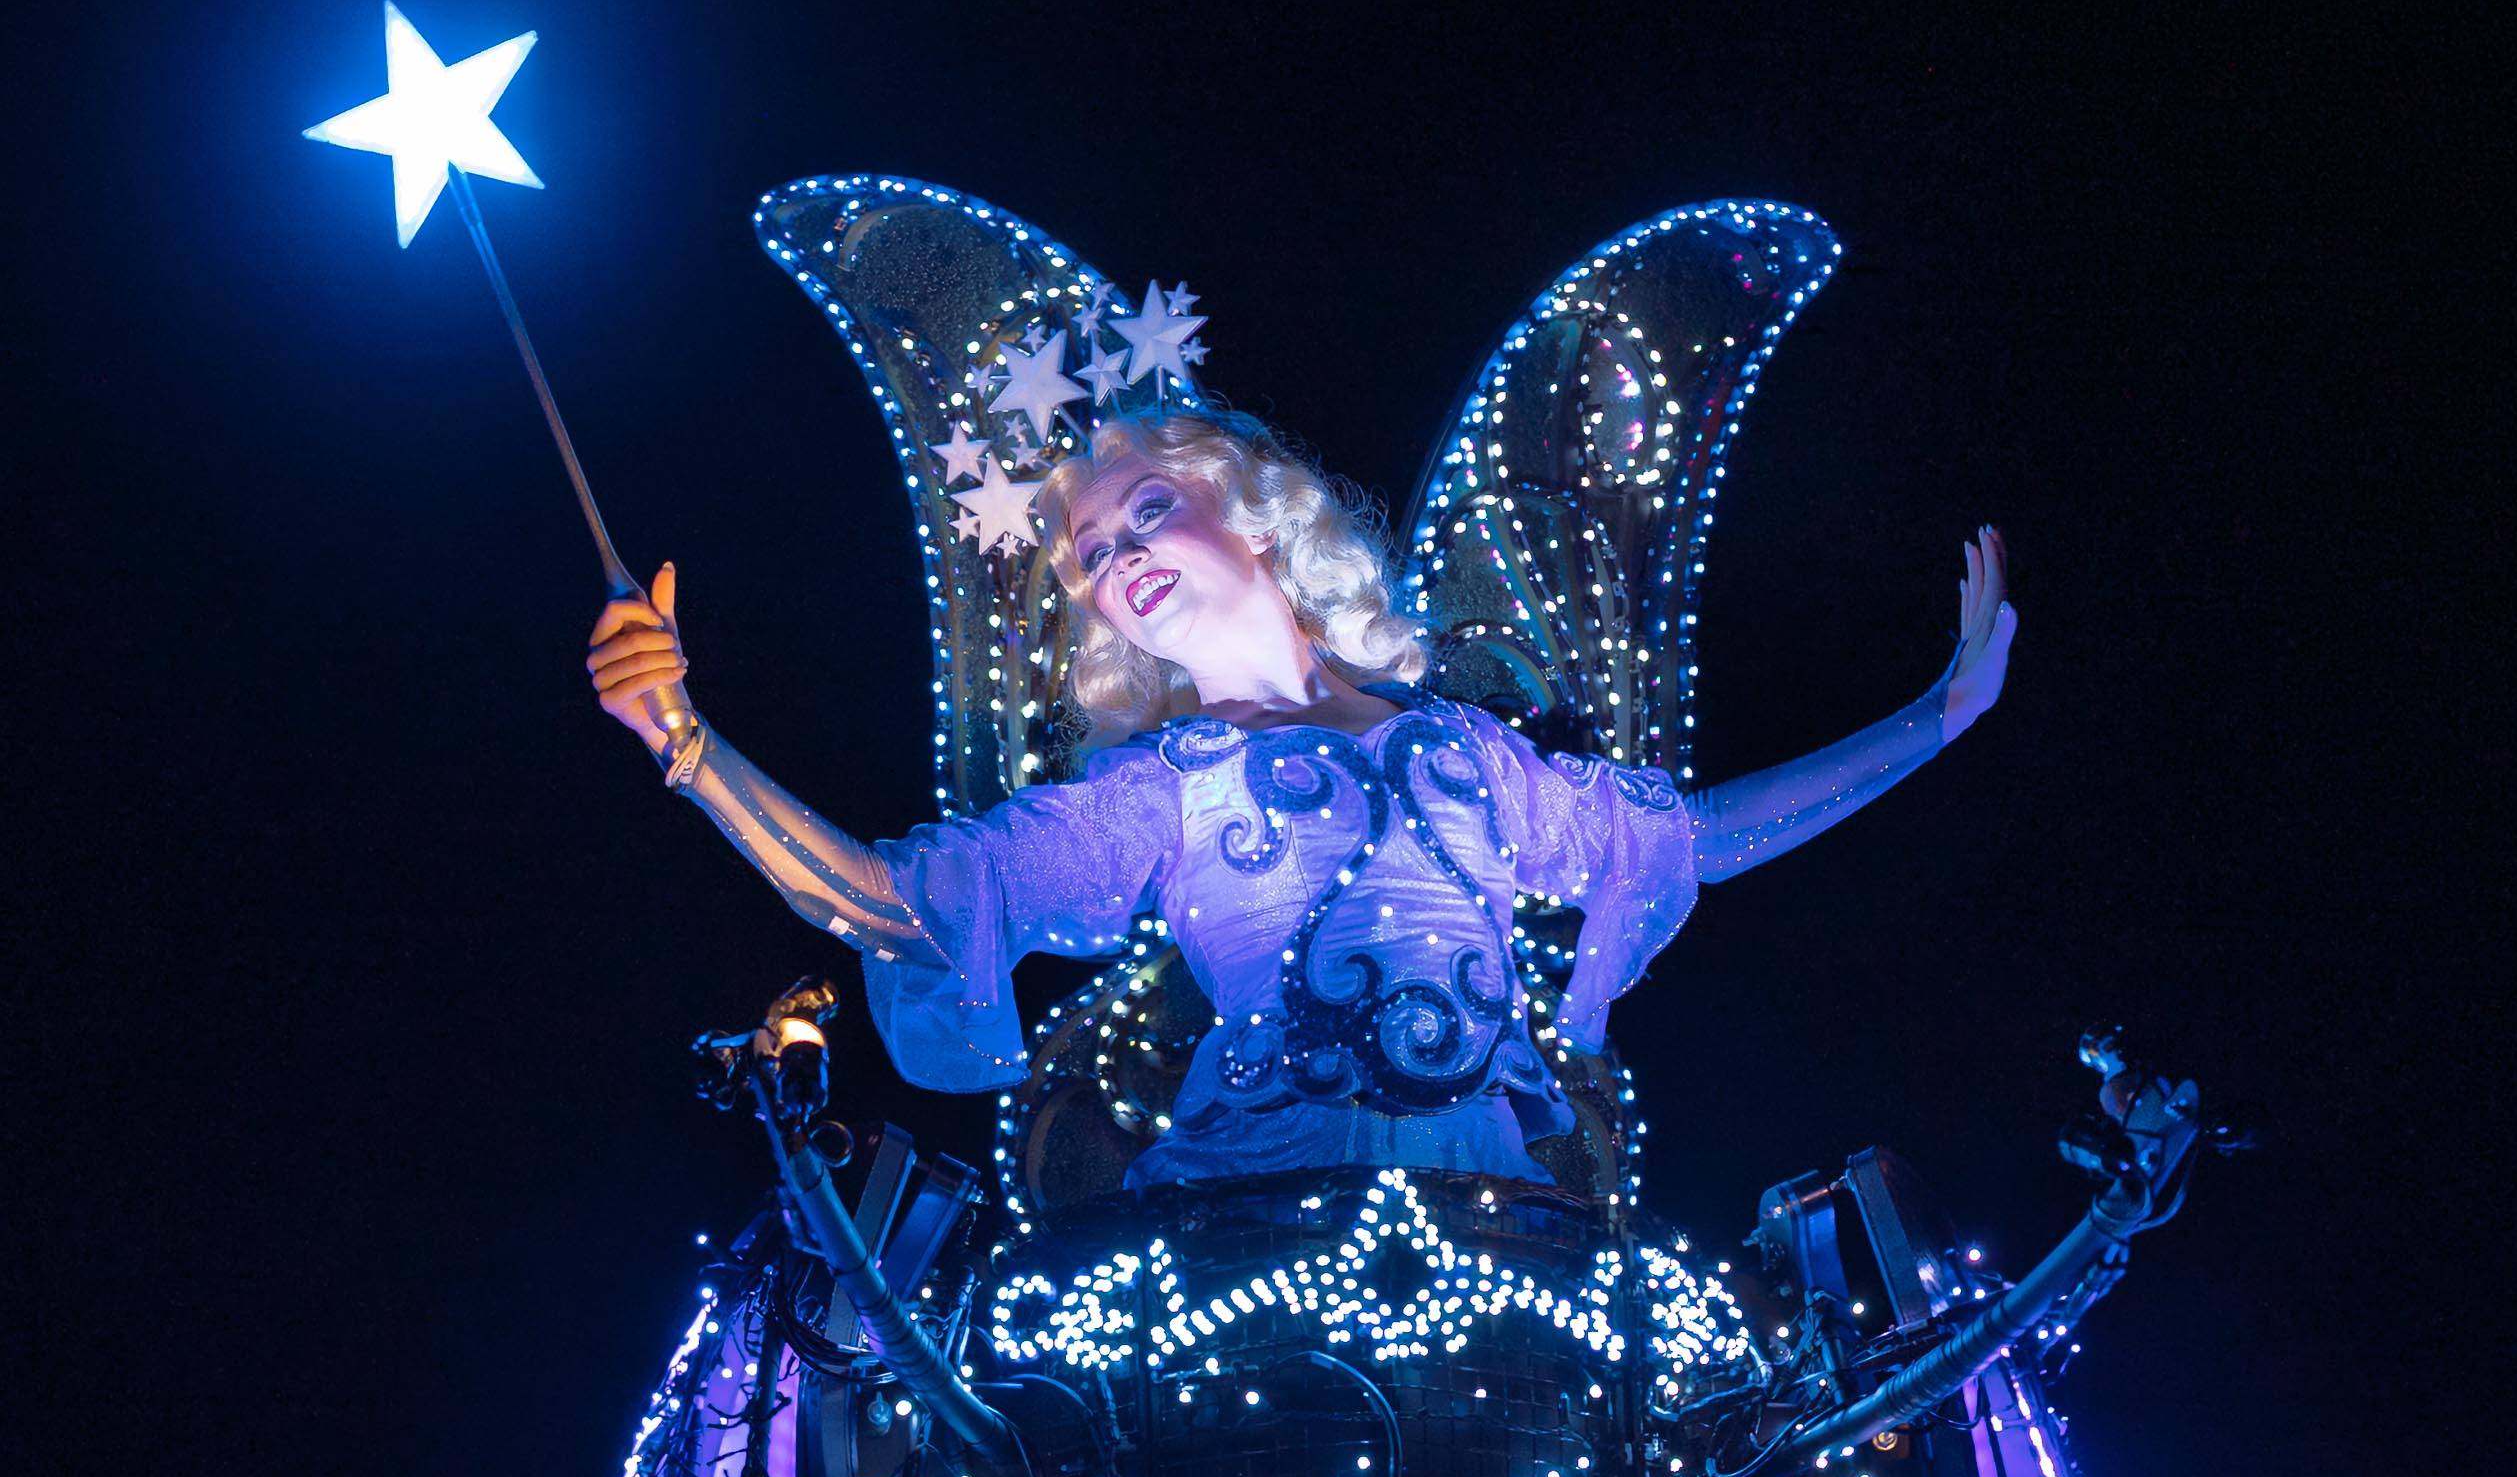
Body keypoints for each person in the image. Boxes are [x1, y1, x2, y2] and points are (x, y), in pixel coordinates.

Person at [587, 407, 2013, 1188]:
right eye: (1089, 554)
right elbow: (895, 901)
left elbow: (1700, 834)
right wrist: (690, 745)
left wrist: (1935, 719)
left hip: (1497, 1215)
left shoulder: (1472, 749)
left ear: (1252, 518)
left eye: (1150, 509)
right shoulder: (1158, 793)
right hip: (1258, 1217)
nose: (1118, 553)